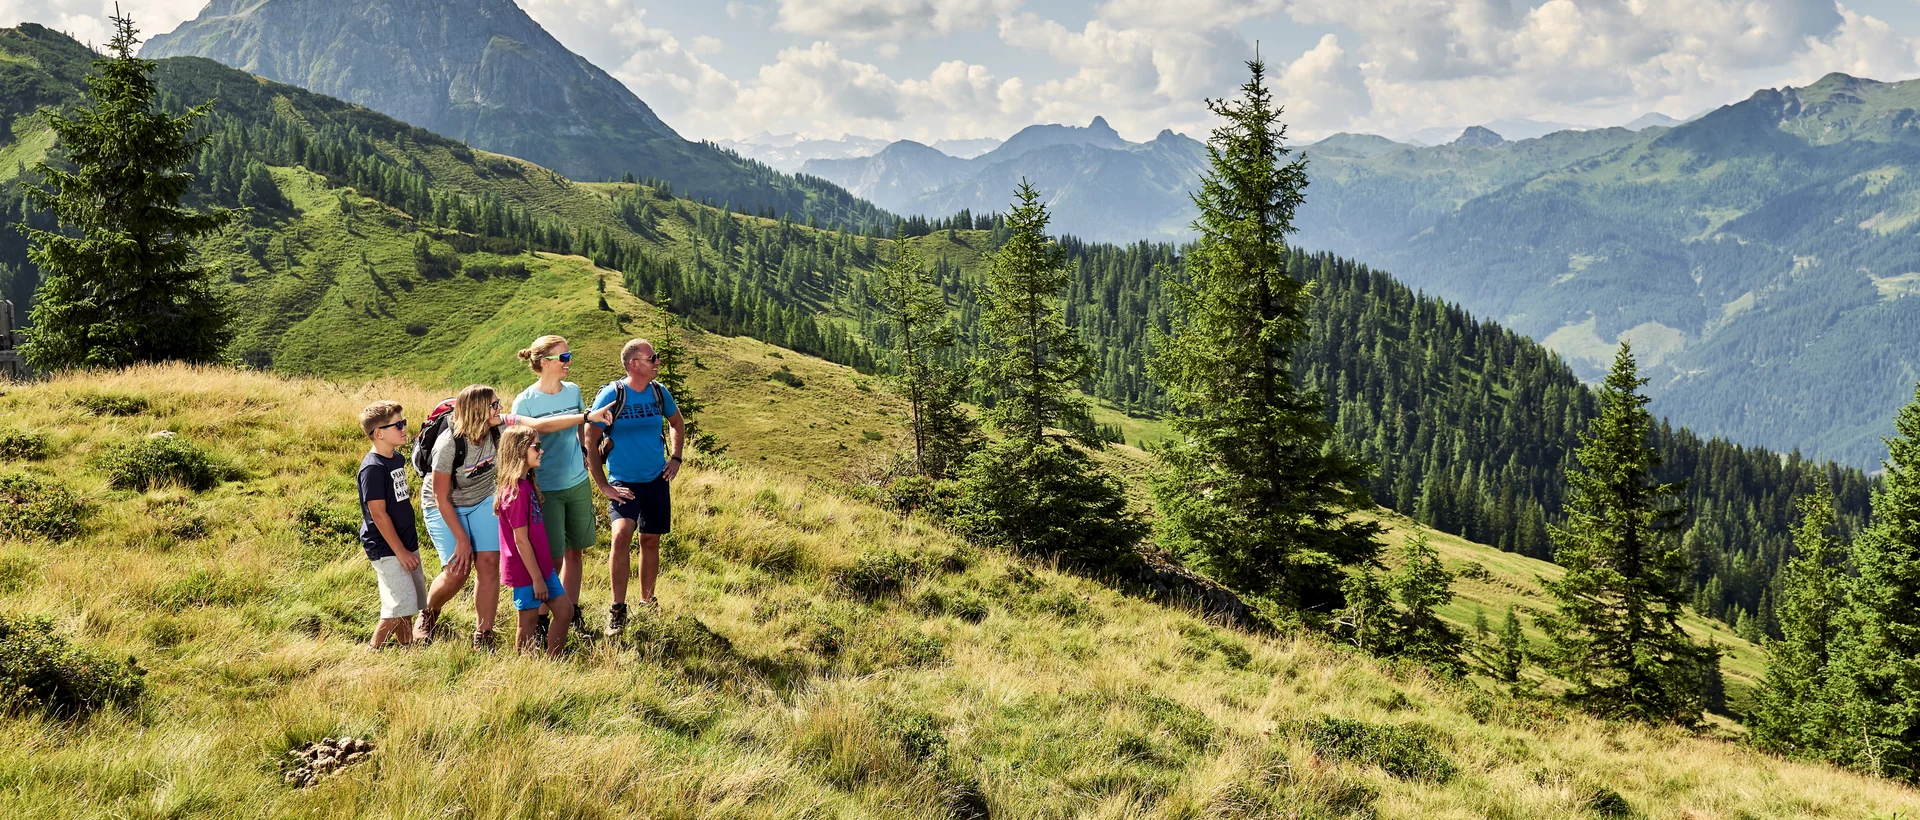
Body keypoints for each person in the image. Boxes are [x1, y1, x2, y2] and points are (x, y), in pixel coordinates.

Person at [417, 385, 610, 650]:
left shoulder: (498, 425)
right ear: (477, 411)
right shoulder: (449, 444)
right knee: (456, 572)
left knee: (487, 562)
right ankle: (429, 612)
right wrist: (462, 540)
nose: (500, 408)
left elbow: (541, 425)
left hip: (483, 498)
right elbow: (440, 496)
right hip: (444, 504)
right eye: (494, 405)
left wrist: (586, 418)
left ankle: (483, 633)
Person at [586, 338, 685, 636]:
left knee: (650, 540)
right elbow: (590, 439)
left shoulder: (659, 392)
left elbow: (677, 423)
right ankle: (617, 609)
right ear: (634, 364)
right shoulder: (613, 394)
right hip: (623, 482)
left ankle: (647, 601)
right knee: (620, 537)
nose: (657, 362)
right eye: (652, 357)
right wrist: (603, 485)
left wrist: (676, 458)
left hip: (656, 479)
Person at [511, 335, 596, 636]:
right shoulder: (525, 401)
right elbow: (531, 436)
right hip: (545, 488)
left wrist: (583, 449)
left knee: (575, 551)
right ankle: (544, 616)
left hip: (576, 482)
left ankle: (571, 612)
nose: (569, 362)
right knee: (553, 557)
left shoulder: (573, 391)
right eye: (564, 357)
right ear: (545, 363)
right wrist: (584, 417)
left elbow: (580, 423)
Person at [495, 426, 572, 657]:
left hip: (541, 567)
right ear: (519, 451)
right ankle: (526, 668)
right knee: (527, 622)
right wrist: (537, 579)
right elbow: (521, 541)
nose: (541, 451)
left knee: (565, 611)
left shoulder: (526, 485)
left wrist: (542, 573)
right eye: (536, 447)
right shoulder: (515, 494)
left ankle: (554, 662)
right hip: (526, 571)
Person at [356, 401, 424, 651]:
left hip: (404, 541)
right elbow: (379, 515)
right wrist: (401, 552)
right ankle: (374, 650)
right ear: (379, 433)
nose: (404, 427)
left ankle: (407, 649)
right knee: (397, 606)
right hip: (387, 547)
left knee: (407, 601)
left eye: (403, 422)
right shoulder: (373, 468)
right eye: (398, 424)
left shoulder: (396, 458)